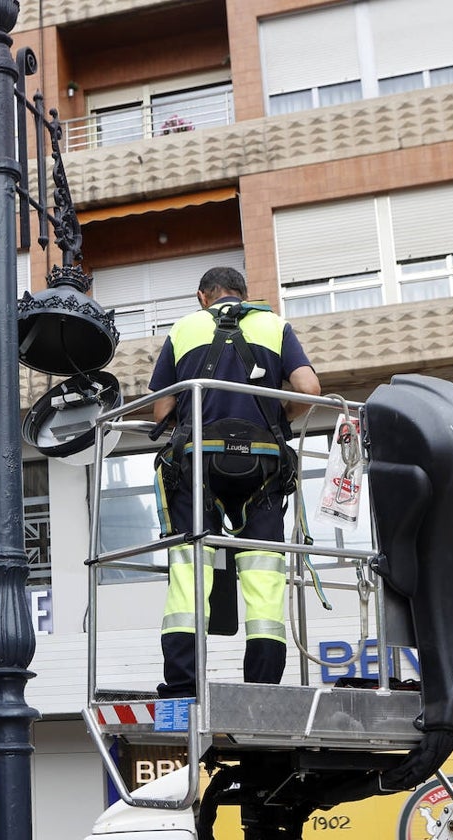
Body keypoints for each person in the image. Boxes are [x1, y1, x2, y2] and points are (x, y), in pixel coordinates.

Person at [148, 266, 320, 698]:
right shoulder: (275, 325)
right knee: (265, 580)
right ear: (244, 294)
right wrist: (276, 421)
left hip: (196, 463)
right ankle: (263, 689)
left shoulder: (185, 327)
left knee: (190, 572)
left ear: (202, 296)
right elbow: (308, 387)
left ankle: (184, 684)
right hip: (262, 465)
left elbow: (160, 411)